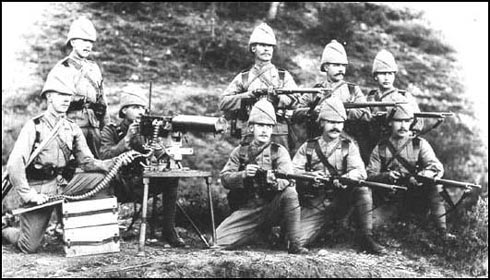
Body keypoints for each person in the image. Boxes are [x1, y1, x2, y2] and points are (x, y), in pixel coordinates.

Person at [2, 72, 131, 254]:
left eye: (68, 96)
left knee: (100, 178)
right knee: (28, 246)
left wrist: (114, 162)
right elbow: (15, 164)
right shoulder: (35, 126)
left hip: (62, 185)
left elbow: (86, 162)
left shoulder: (72, 127)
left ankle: (80, 230)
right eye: (60, 95)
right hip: (39, 189)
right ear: (49, 97)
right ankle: (6, 230)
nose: (65, 100)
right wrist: (29, 195)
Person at [292, 97, 386, 255]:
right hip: (317, 202)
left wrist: (346, 178)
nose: (335, 126)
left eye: (339, 122)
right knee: (294, 240)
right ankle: (324, 232)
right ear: (321, 123)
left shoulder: (348, 146)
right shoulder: (308, 147)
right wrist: (310, 176)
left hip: (341, 199)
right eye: (330, 121)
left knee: (362, 189)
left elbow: (360, 171)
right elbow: (293, 171)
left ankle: (366, 237)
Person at [216, 99, 308, 254]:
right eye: (260, 125)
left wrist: (272, 181)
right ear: (251, 127)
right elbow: (225, 178)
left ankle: (295, 244)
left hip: (272, 205)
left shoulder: (279, 151)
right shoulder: (240, 152)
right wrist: (243, 174)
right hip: (249, 209)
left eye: (269, 126)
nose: (265, 130)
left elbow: (288, 178)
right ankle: (258, 234)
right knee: (216, 241)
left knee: (290, 193)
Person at [99, 88, 185, 247]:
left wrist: (161, 146)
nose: (141, 111)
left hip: (143, 181)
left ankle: (169, 230)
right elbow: (104, 157)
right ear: (124, 110)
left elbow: (158, 155)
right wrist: (127, 138)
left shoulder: (149, 130)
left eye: (144, 108)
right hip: (120, 184)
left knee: (172, 178)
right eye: (136, 107)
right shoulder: (110, 130)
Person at [366, 103, 452, 240]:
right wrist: (386, 176)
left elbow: (436, 166)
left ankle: (441, 231)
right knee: (376, 226)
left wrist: (421, 176)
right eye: (398, 121)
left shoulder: (419, 144)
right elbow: (369, 176)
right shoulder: (380, 148)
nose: (403, 125)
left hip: (414, 196)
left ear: (412, 122)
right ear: (389, 123)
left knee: (436, 186)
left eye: (407, 121)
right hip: (390, 197)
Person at [219, 22, 300, 155]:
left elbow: (296, 100)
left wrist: (278, 98)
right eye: (262, 45)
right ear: (253, 48)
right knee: (249, 168)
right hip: (251, 131)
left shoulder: (282, 76)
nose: (267, 49)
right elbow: (223, 102)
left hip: (278, 131)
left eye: (270, 46)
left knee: (281, 169)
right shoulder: (244, 77)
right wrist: (247, 96)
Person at [44, 16, 108, 158]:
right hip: (72, 126)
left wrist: (105, 127)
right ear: (73, 42)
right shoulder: (63, 68)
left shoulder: (94, 68)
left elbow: (103, 100)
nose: (88, 45)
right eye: (84, 40)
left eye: (90, 41)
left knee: (99, 167)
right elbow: (54, 102)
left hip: (94, 127)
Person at [294, 40, 370, 155]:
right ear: (326, 67)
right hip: (318, 146)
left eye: (343, 65)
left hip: (346, 145)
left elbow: (366, 114)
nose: (341, 69)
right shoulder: (315, 90)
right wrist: (313, 111)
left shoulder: (352, 90)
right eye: (336, 65)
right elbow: (296, 112)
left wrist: (343, 112)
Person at [364, 49, 424, 162]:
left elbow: (418, 122)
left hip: (396, 148)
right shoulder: (369, 98)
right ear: (375, 76)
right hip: (373, 147)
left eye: (390, 73)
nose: (386, 77)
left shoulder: (405, 97)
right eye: (382, 73)